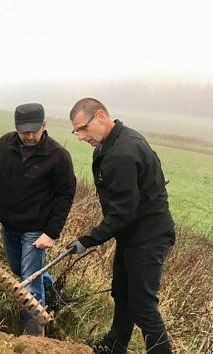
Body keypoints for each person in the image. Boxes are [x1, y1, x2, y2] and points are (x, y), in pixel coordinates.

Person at [67, 98, 174, 354]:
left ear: (101, 116)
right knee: (122, 294)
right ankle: (115, 345)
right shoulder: (110, 145)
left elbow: (122, 213)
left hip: (149, 237)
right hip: (131, 236)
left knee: (143, 306)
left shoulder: (124, 152)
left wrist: (87, 240)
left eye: (83, 128)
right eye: (76, 131)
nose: (81, 137)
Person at [0, 103, 76, 336]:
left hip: (36, 230)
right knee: (20, 269)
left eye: (35, 130)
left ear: (44, 125)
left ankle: (34, 338)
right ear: (16, 127)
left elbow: (66, 195)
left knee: (28, 283)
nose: (30, 135)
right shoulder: (5, 145)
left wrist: (51, 233)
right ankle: (51, 291)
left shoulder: (57, 156)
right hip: (9, 224)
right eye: (25, 131)